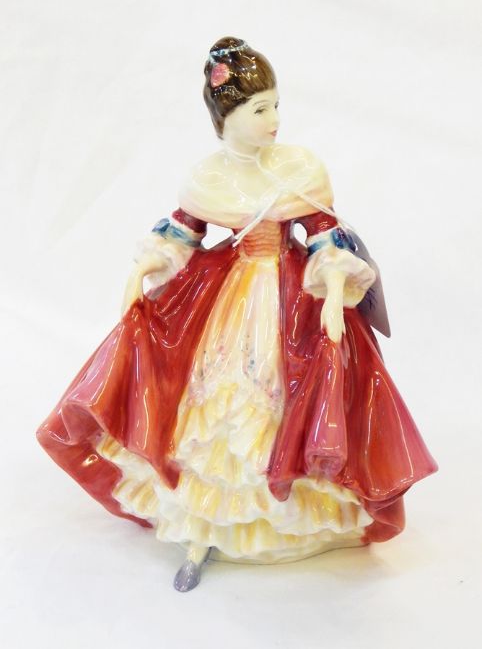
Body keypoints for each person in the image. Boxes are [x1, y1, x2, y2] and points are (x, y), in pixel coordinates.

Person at [37, 37, 437, 592]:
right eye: (259, 109)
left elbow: (324, 234)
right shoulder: (210, 177)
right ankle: (202, 528)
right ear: (227, 116)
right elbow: (183, 232)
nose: (274, 120)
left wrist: (334, 286)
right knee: (216, 411)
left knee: (282, 401)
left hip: (289, 296)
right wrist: (143, 268)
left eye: (275, 105)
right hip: (227, 294)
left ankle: (285, 520)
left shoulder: (297, 168)